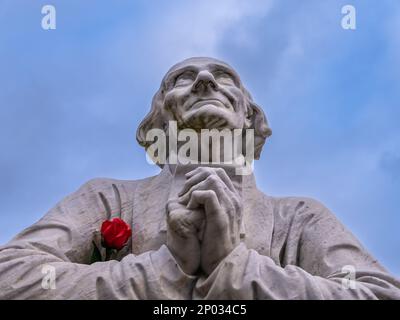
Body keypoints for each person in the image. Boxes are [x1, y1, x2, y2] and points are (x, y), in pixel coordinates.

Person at [0, 57, 399, 299]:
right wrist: (165, 269)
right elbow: (11, 277)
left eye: (224, 76)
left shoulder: (297, 218)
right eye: (182, 78)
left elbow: (379, 294)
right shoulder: (108, 198)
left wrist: (235, 268)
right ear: (159, 118)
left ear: (249, 116)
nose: (205, 81)